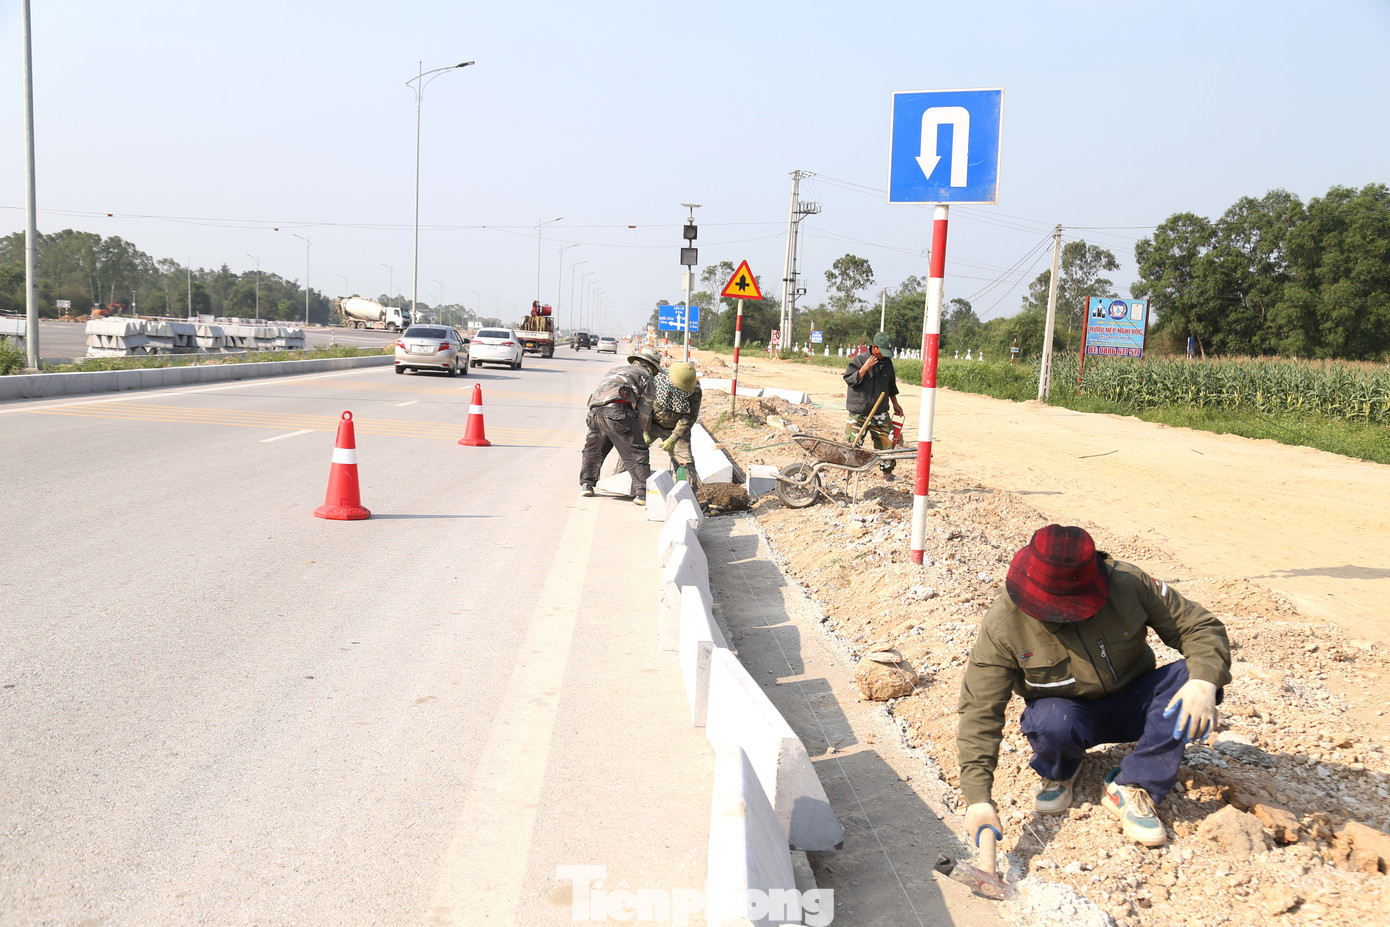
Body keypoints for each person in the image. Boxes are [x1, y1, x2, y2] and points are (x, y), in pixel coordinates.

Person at [957, 525, 1231, 849]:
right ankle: (1062, 769)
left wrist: (1203, 680)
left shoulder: (1129, 583)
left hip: (1136, 702)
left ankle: (1133, 786)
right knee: (1050, 722)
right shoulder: (1004, 625)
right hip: (1069, 715)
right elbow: (979, 709)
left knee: (1190, 677)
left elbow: (1198, 626)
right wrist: (977, 798)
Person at [579, 346, 661, 503]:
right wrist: (639, 436)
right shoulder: (646, 378)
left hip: (594, 411)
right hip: (618, 411)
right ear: (651, 366)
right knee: (638, 452)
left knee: (594, 449)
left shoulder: (615, 370)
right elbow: (644, 413)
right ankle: (642, 493)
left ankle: (587, 484)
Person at [842, 331, 904, 479]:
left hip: (880, 411)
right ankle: (847, 472)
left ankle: (888, 474)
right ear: (874, 347)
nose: (884, 355)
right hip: (859, 411)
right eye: (882, 352)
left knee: (888, 442)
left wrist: (895, 403)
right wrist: (865, 368)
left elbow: (891, 386)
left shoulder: (887, 363)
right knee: (851, 444)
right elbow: (850, 380)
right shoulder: (859, 360)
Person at [648, 361, 703, 489]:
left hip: (677, 428)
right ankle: (621, 481)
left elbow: (689, 417)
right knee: (633, 450)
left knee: (685, 462)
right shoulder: (655, 383)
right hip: (652, 424)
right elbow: (646, 408)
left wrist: (673, 438)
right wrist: (644, 430)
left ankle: (688, 493)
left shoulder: (695, 391)